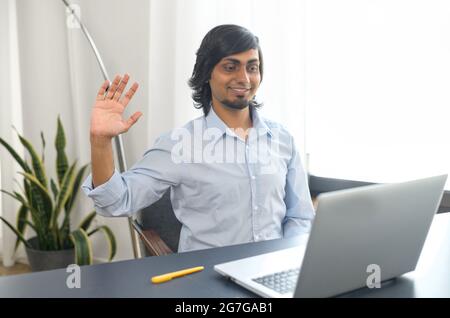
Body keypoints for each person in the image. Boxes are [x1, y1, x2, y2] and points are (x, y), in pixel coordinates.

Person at [82, 24, 315, 253]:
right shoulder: (181, 144)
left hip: (271, 278)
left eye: (252, 68)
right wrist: (100, 142)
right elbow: (115, 202)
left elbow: (300, 216)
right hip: (209, 280)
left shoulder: (282, 139)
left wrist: (290, 261)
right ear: (207, 74)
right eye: (230, 67)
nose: (244, 78)